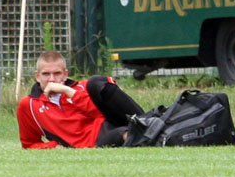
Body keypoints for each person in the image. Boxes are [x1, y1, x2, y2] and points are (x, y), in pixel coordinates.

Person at [16, 51, 144, 149]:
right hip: (95, 142)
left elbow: (100, 114)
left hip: (108, 127)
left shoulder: (82, 87)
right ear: (37, 76)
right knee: (125, 134)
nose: (52, 79)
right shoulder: (29, 104)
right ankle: (148, 130)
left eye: (57, 73)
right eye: (46, 74)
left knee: (97, 82)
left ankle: (146, 123)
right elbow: (29, 144)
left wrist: (68, 92)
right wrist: (52, 146)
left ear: (65, 74)